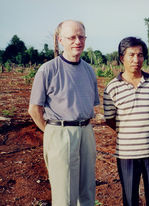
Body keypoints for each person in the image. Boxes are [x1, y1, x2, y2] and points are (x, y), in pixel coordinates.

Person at [28, 20, 100, 206]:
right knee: (64, 194)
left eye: (81, 36)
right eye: (71, 37)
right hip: (60, 131)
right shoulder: (48, 70)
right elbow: (34, 109)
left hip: (86, 131)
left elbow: (90, 104)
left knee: (87, 190)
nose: (77, 41)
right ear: (60, 40)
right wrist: (52, 132)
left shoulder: (89, 70)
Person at [103, 37, 149, 206]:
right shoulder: (112, 87)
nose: (136, 60)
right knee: (130, 199)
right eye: (131, 55)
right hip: (126, 153)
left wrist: (146, 128)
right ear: (121, 58)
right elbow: (110, 119)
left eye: (140, 55)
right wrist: (128, 131)